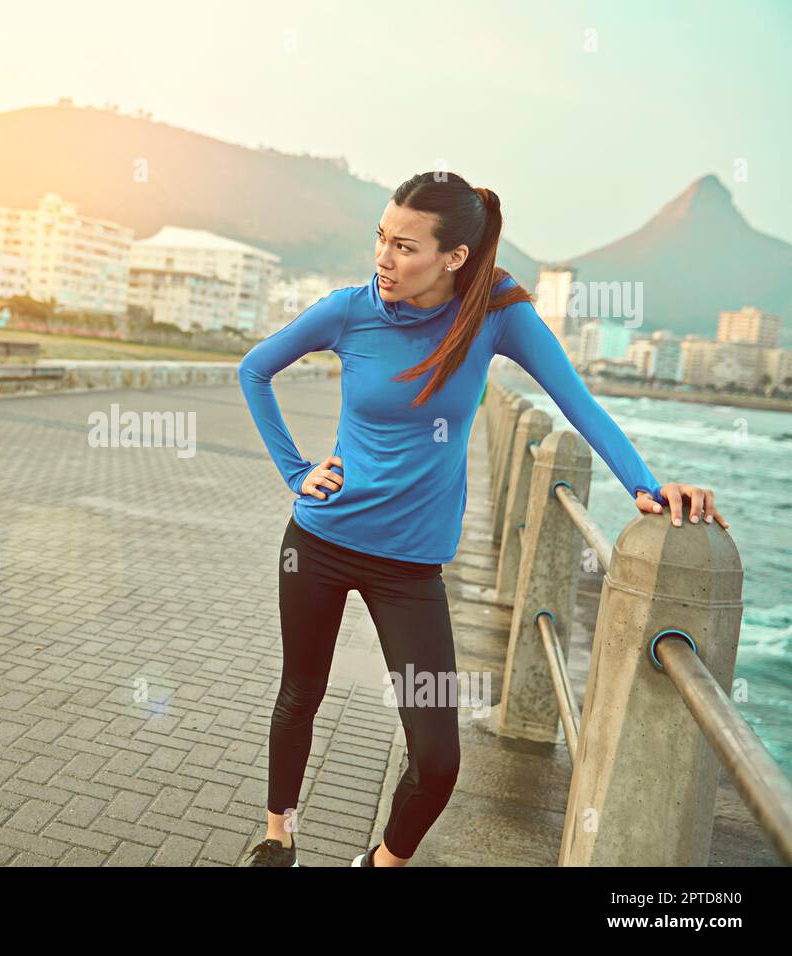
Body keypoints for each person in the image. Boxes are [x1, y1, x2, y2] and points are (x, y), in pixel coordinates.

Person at [235, 171, 728, 867]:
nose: (383, 257)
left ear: (454, 257)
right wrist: (295, 472)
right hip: (319, 541)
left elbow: (576, 401)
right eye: (381, 237)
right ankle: (278, 834)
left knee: (437, 761)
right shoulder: (348, 310)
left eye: (405, 246)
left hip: (410, 568)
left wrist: (647, 487)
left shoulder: (495, 312)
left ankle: (381, 862)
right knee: (301, 694)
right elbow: (254, 370)